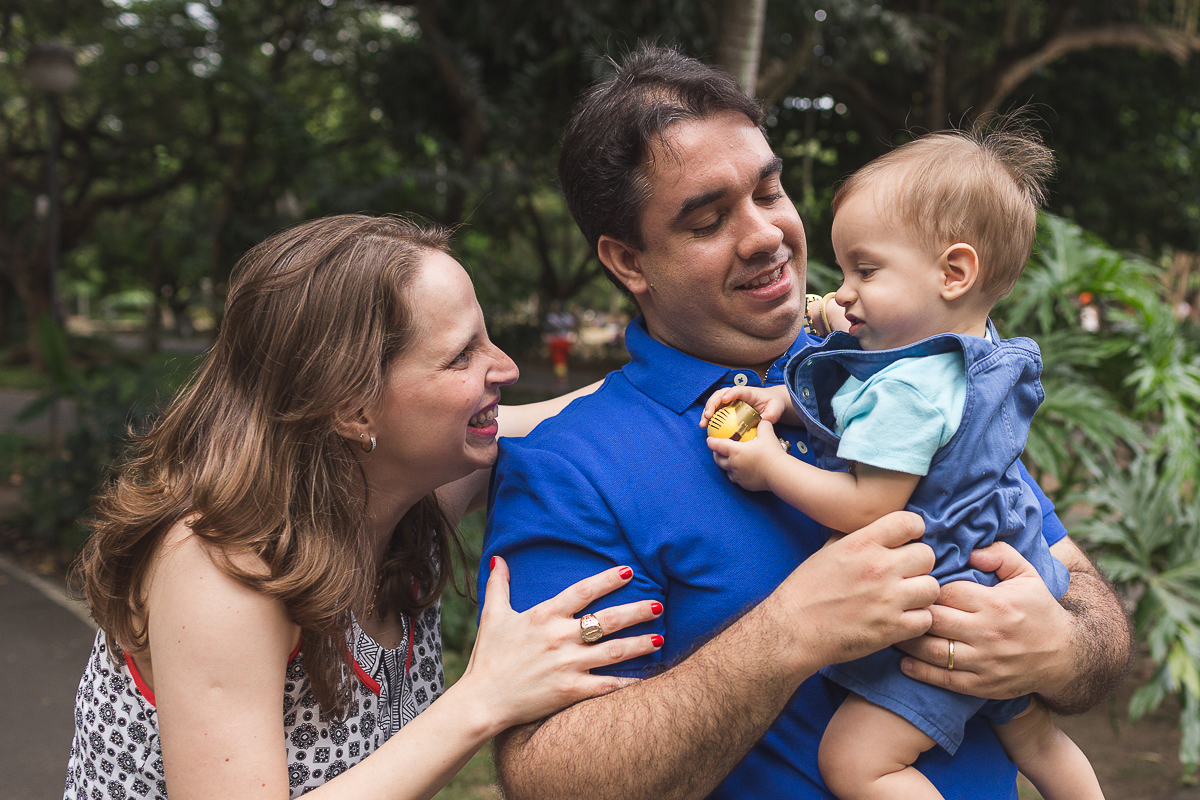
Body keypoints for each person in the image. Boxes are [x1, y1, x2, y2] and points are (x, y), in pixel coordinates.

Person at [479, 45, 1132, 799]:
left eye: (769, 190)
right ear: (630, 262)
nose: (765, 234)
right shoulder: (570, 467)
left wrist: (1061, 646)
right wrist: (787, 633)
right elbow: (549, 779)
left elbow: (1079, 588)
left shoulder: (903, 367)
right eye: (708, 220)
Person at [62, 214, 664, 800]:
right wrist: (484, 697)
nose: (505, 367)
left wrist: (712, 381)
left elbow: (586, 413)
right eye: (462, 355)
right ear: (352, 409)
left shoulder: (411, 495)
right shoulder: (220, 568)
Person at [699, 123, 1102, 800]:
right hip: (1005, 585)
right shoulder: (968, 351)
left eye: (866, 270)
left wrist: (770, 466)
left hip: (946, 612)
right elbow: (865, 398)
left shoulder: (908, 393)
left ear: (954, 273)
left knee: (856, 763)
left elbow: (870, 505)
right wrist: (788, 400)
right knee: (1037, 741)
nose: (843, 293)